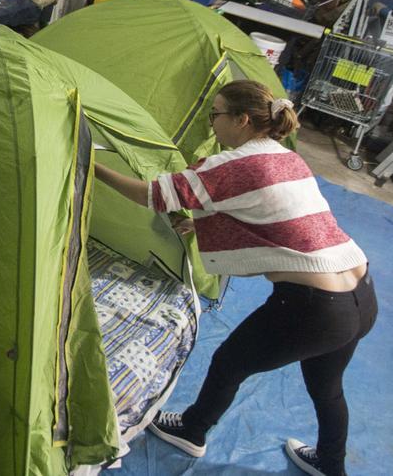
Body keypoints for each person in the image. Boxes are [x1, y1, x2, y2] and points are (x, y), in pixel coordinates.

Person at [93, 79, 377, 476]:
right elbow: (270, 215)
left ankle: (193, 430)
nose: (212, 123)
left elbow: (152, 196)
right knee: (327, 389)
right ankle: (332, 465)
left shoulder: (232, 163)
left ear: (242, 120)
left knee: (229, 362)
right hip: (361, 294)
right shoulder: (286, 156)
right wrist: (208, 226)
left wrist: (92, 167)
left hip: (315, 308)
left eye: (217, 113)